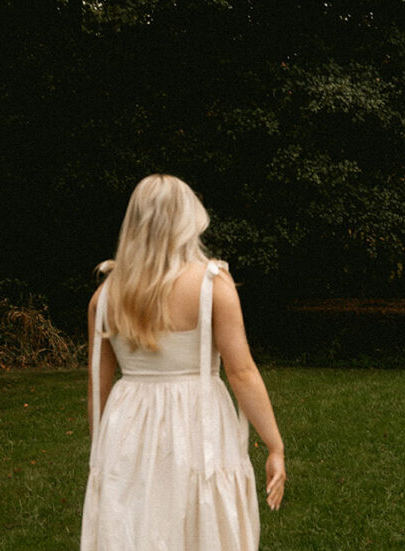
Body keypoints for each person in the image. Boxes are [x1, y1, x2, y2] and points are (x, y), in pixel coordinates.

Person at [81, 174, 285, 550]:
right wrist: (275, 445)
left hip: (129, 423)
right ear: (188, 222)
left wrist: (105, 451)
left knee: (137, 517)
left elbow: (98, 388)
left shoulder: (106, 296)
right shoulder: (212, 285)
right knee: (198, 512)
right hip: (198, 419)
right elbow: (241, 372)